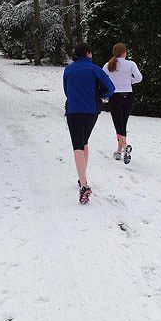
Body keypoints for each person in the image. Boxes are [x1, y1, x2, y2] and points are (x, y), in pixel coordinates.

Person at [63, 42, 115, 204]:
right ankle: (82, 179)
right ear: (88, 54)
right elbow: (110, 88)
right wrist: (100, 94)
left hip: (73, 110)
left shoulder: (68, 70)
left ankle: (84, 184)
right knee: (84, 142)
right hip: (92, 111)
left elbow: (66, 90)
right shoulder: (95, 70)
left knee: (78, 145)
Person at [103, 43, 142, 164]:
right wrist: (128, 81)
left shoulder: (108, 65)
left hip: (115, 97)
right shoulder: (131, 64)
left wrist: (111, 83)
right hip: (128, 96)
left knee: (118, 126)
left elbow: (102, 78)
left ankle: (124, 147)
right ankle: (119, 152)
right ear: (124, 52)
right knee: (122, 125)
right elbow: (139, 78)